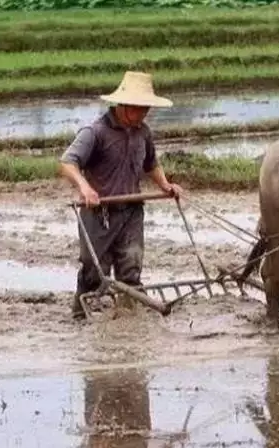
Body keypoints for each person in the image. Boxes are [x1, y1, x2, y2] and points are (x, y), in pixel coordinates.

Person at [59, 71, 183, 320]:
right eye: (140, 108)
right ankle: (80, 318)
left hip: (131, 212)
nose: (144, 113)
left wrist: (166, 185)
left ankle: (129, 323)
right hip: (99, 214)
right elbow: (67, 163)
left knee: (131, 269)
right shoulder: (95, 132)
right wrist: (85, 188)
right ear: (123, 106)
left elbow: (151, 164)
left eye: (147, 108)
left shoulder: (143, 132)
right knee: (94, 273)